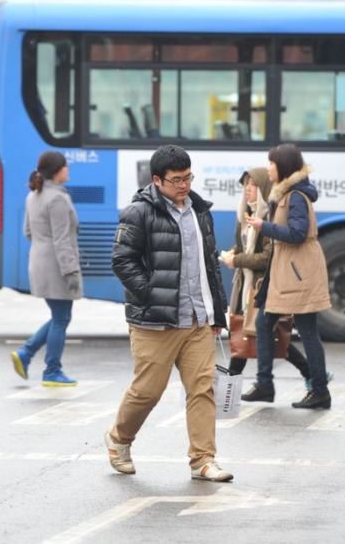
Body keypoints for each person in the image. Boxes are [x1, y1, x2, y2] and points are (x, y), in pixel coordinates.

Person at [104, 144, 233, 482]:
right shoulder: (139, 212)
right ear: (157, 180)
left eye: (188, 177)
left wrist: (217, 313)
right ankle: (119, 439)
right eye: (177, 180)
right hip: (154, 321)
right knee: (148, 391)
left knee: (202, 389)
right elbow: (122, 260)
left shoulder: (199, 210)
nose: (184, 185)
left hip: (197, 319)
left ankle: (203, 460)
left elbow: (209, 265)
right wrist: (150, 294)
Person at [221, 168, 331, 390]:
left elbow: (267, 257)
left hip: (265, 284)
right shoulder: (246, 215)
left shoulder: (267, 218)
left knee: (261, 332)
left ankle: (233, 388)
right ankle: (248, 386)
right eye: (246, 185)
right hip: (247, 284)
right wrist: (234, 253)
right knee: (254, 331)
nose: (248, 190)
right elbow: (243, 245)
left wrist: (238, 260)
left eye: (253, 185)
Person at [242, 143, 332, 409]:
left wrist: (263, 226)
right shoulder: (285, 194)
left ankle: (319, 390)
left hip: (298, 271)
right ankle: (265, 384)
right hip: (286, 269)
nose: (268, 167)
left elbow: (297, 233)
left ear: (283, 166)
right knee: (263, 322)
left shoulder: (296, 196)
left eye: (271, 163)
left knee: (306, 331)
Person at [10, 151, 81, 387]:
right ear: (57, 171)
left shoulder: (34, 195)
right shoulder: (57, 199)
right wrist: (70, 270)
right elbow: (62, 240)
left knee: (58, 316)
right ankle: (51, 369)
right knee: (62, 318)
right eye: (65, 167)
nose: (68, 170)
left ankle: (26, 353)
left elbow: (28, 232)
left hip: (39, 260)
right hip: (56, 265)